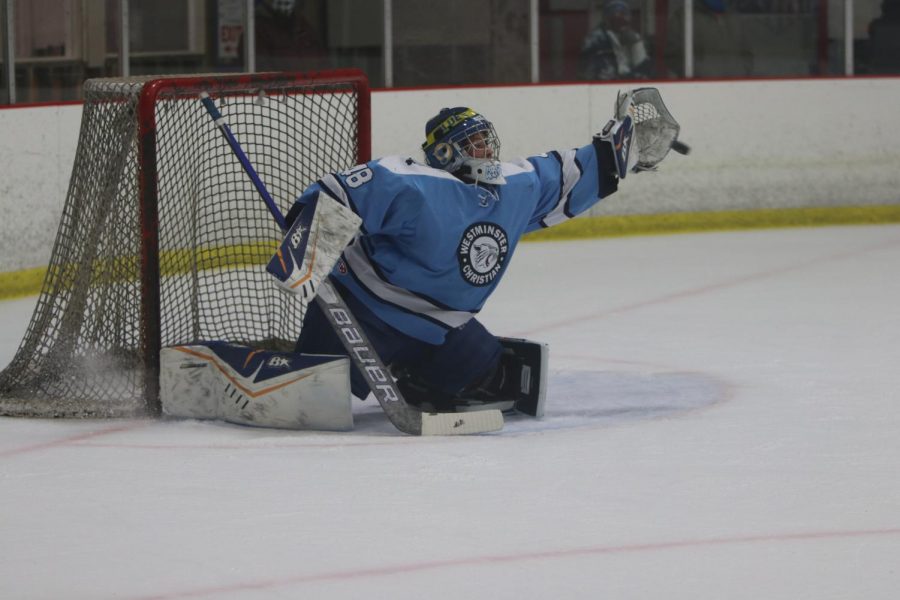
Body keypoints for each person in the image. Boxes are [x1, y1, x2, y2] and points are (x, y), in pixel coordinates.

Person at [283, 97, 673, 412]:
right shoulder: (411, 182)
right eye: (475, 141)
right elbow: (341, 194)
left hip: (441, 327)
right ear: (446, 150)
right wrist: (307, 235)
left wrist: (622, 148)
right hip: (362, 313)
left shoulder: (512, 188)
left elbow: (567, 174)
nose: (487, 148)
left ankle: (416, 378)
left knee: (488, 373)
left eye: (487, 138)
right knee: (307, 397)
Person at [581, 0, 653, 80]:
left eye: (623, 14)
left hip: (629, 84)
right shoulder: (595, 39)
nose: (620, 19)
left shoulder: (633, 37)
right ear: (607, 18)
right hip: (601, 86)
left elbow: (644, 71)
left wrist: (635, 44)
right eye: (615, 15)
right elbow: (598, 73)